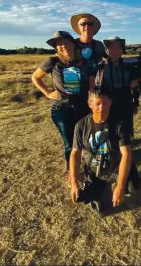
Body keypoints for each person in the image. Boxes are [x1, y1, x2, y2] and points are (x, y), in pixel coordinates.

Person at [69, 87, 141, 216]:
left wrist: (120, 186)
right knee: (100, 211)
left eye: (105, 103)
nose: (101, 107)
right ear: (90, 104)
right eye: (97, 104)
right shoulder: (81, 126)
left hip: (115, 168)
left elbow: (126, 154)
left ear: (111, 103)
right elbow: (75, 153)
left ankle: (121, 188)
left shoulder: (119, 124)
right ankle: (100, 193)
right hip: (95, 172)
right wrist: (74, 182)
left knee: (132, 185)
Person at [31, 31, 93, 175]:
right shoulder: (52, 61)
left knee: (85, 140)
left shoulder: (83, 61)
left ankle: (89, 167)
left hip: (83, 106)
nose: (63, 46)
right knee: (70, 143)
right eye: (59, 44)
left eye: (66, 42)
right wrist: (47, 93)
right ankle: (73, 173)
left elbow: (90, 82)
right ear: (56, 47)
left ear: (73, 43)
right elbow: (35, 77)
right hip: (62, 109)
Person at [95, 36, 140, 136]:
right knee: (110, 134)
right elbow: (97, 88)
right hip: (107, 106)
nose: (114, 50)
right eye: (112, 47)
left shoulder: (129, 67)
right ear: (107, 50)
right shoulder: (101, 67)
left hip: (126, 105)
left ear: (122, 50)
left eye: (118, 47)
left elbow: (136, 87)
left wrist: (135, 103)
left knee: (125, 134)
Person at [70, 12, 107, 88]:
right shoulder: (71, 45)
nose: (87, 27)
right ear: (78, 27)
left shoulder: (99, 45)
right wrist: (47, 93)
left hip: (95, 87)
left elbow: (108, 59)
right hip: (75, 87)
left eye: (90, 24)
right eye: (83, 24)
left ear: (94, 28)